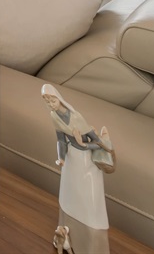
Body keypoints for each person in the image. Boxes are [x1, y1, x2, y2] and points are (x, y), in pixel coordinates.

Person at [42, 84, 116, 254]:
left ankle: (91, 246)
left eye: (52, 100)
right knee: (69, 194)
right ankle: (67, 235)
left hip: (85, 161)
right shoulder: (54, 116)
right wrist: (61, 157)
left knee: (89, 199)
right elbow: (60, 140)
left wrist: (86, 145)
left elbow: (96, 142)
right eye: (48, 102)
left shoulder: (76, 116)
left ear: (59, 99)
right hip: (71, 160)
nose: (51, 104)